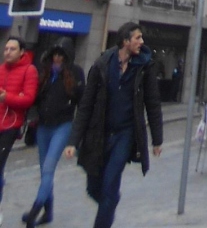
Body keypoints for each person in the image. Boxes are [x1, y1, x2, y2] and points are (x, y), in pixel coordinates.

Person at [65, 23, 162, 228]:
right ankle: (109, 203)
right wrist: (73, 141)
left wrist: (157, 139)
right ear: (125, 41)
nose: (142, 42)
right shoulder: (102, 64)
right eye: (137, 38)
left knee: (110, 183)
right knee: (94, 188)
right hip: (99, 133)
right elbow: (86, 105)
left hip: (125, 134)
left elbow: (153, 103)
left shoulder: (144, 67)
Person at [23, 44, 85, 227]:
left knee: (49, 168)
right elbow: (35, 98)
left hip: (62, 126)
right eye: (55, 55)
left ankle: (35, 210)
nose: (57, 58)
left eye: (61, 55)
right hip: (43, 126)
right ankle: (48, 212)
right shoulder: (46, 72)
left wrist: (78, 134)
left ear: (67, 57)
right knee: (44, 171)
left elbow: (82, 102)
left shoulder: (75, 73)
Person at [0, 37, 38, 226]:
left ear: (21, 51)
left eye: (12, 49)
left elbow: (29, 98)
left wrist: (7, 97)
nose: (7, 52)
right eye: (6, 48)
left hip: (10, 125)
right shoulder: (1, 69)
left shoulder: (29, 70)